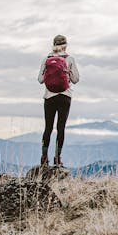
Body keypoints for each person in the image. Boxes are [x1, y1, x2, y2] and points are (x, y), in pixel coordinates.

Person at [37, 35, 80, 166]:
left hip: (49, 97)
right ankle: (57, 158)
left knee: (48, 127)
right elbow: (76, 79)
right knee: (61, 128)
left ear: (53, 45)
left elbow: (40, 80)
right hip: (65, 97)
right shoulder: (70, 59)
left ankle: (44, 158)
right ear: (65, 45)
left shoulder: (46, 59)